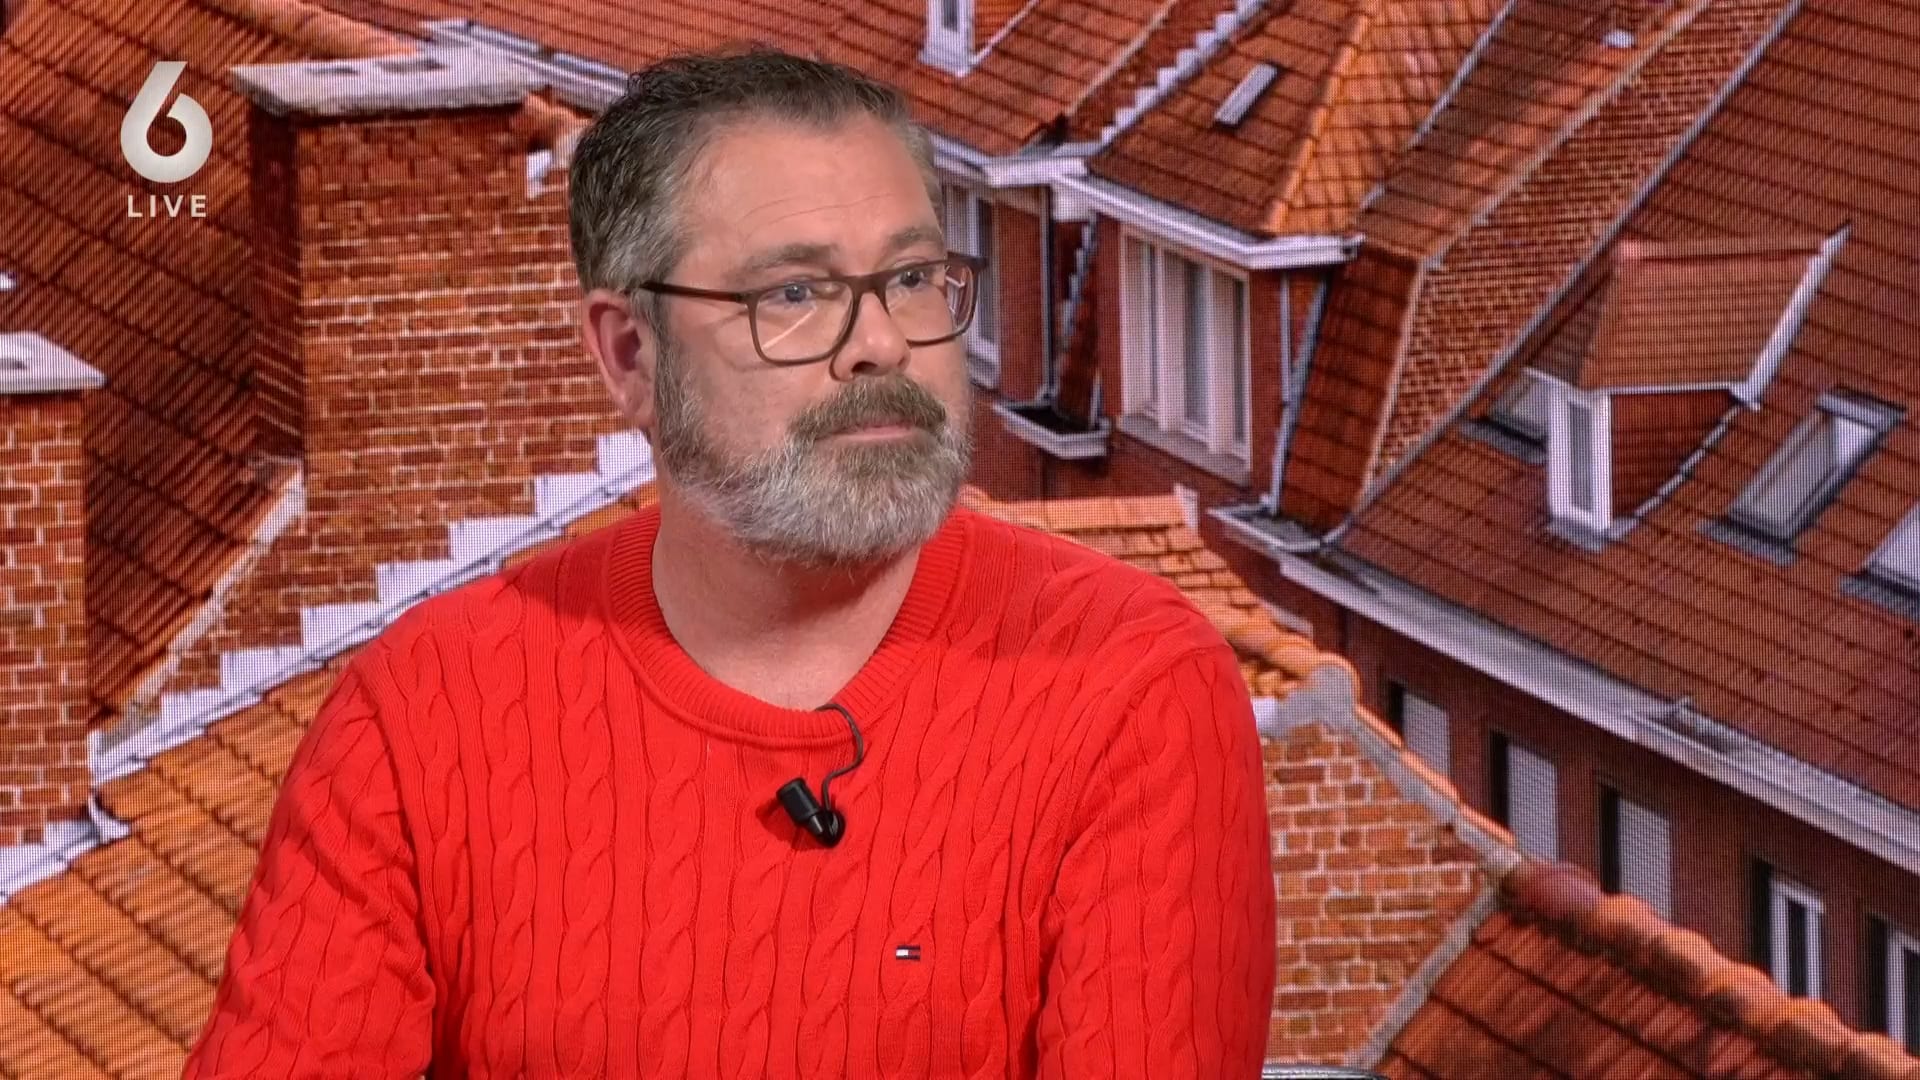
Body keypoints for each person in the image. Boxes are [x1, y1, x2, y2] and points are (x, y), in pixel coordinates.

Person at [184, 45, 1276, 1079]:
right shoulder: (426, 710)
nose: (883, 344)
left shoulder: (1130, 689)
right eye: (792, 295)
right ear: (630, 355)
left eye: (910, 278)